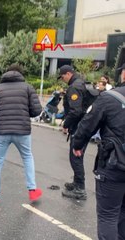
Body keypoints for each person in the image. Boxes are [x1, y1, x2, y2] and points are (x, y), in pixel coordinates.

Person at [72, 75, 125, 239]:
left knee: (108, 215)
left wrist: (77, 145)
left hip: (115, 164)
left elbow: (87, 124)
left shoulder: (110, 98)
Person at [0, 64, 42, 209]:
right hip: (22, 130)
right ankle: (32, 190)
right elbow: (36, 111)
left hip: (1, 132)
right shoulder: (28, 88)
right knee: (27, 157)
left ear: (6, 73)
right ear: (21, 74)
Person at [58, 65, 89, 200]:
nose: (62, 79)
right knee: (76, 156)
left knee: (75, 156)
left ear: (69, 74)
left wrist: (66, 124)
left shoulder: (74, 87)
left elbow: (75, 111)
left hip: (79, 127)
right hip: (84, 126)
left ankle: (80, 189)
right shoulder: (80, 82)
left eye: (63, 76)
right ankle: (77, 183)